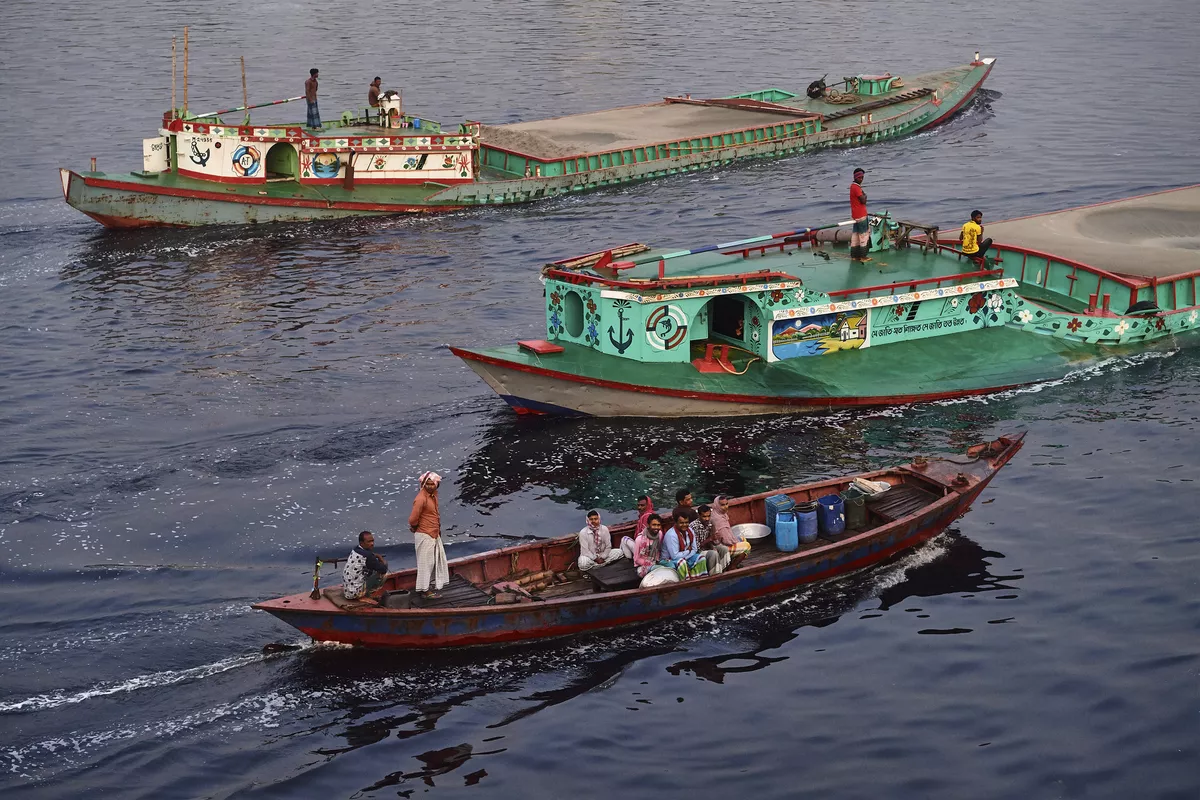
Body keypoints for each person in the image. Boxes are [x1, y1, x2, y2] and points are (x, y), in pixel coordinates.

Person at [408, 471, 449, 599]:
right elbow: (412, 519)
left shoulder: (433, 495)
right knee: (425, 564)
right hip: (425, 534)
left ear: (437, 484)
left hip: (434, 534)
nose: (431, 486)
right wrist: (416, 528)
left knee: (432, 563)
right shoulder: (421, 498)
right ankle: (424, 591)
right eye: (428, 484)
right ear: (423, 484)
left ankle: (428, 588)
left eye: (433, 484)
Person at [343, 530, 389, 601]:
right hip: (355, 593)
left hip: (348, 591)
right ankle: (367, 594)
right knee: (384, 574)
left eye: (372, 541)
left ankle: (363, 592)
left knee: (370, 571)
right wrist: (381, 559)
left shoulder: (355, 550)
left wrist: (374, 556)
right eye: (369, 542)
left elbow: (368, 558)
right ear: (361, 543)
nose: (372, 543)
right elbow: (383, 569)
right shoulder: (368, 556)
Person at [663, 510, 709, 579]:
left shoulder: (690, 530)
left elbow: (694, 549)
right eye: (681, 523)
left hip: (685, 557)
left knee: (701, 558)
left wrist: (687, 556)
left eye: (686, 522)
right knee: (682, 562)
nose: (684, 525)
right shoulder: (671, 535)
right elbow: (674, 556)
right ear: (676, 523)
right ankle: (685, 581)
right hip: (669, 560)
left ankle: (699, 579)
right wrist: (688, 551)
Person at [690, 504, 729, 574]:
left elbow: (714, 542)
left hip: (707, 547)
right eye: (704, 516)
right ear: (699, 516)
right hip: (698, 552)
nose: (707, 519)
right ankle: (714, 574)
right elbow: (696, 547)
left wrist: (714, 536)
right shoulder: (693, 526)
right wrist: (710, 539)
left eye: (708, 516)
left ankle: (723, 571)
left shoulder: (710, 523)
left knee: (724, 549)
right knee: (713, 553)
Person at [633, 513, 665, 578]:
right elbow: (636, 559)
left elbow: (658, 550)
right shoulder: (639, 540)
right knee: (660, 569)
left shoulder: (660, 534)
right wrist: (650, 563)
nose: (656, 527)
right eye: (654, 525)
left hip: (655, 561)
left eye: (658, 525)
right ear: (648, 525)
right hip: (642, 566)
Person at [849, 168, 869, 261]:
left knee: (856, 236)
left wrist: (863, 195)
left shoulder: (852, 186)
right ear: (856, 177)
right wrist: (865, 195)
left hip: (855, 215)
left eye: (862, 177)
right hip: (861, 215)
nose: (861, 179)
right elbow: (863, 200)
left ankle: (854, 256)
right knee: (863, 236)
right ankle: (863, 256)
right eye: (860, 177)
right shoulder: (857, 188)